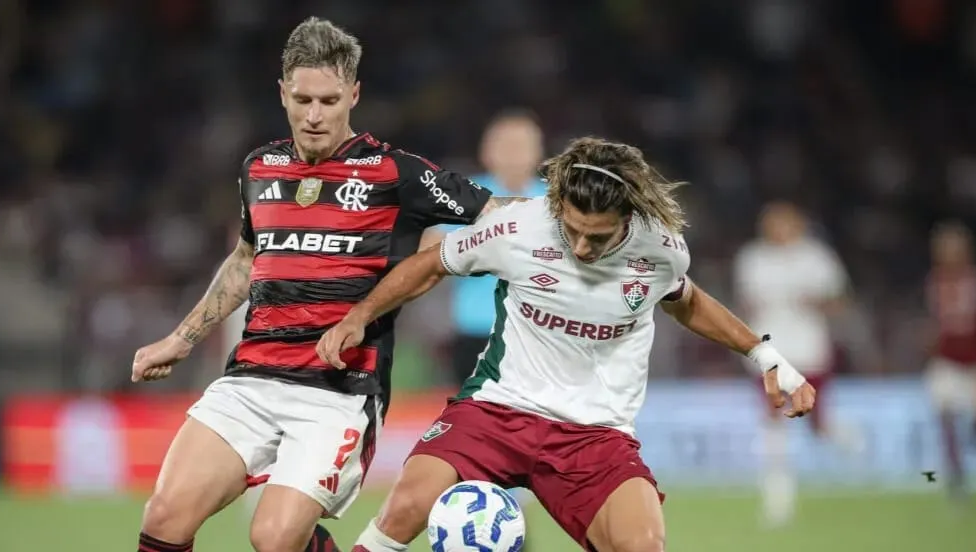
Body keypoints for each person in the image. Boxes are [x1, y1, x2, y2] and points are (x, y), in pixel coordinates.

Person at [127, 17, 520, 552]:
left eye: (329, 101)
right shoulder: (259, 168)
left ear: (353, 95)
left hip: (337, 391)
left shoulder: (396, 173)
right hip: (251, 378)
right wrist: (181, 339)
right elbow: (245, 260)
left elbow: (501, 212)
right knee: (164, 517)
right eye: (303, 100)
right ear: (282, 92)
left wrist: (591, 217)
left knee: (273, 536)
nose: (314, 116)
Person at [317, 137, 817, 552]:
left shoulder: (661, 250)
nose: (580, 247)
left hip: (595, 434)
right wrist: (360, 316)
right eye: (572, 230)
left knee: (643, 544)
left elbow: (686, 301)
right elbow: (431, 263)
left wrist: (763, 354)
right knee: (405, 507)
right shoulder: (517, 228)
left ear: (628, 217)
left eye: (597, 238)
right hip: (497, 410)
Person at [733, 201, 869, 526]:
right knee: (773, 423)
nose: (777, 229)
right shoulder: (753, 259)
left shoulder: (816, 258)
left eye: (784, 222)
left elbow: (840, 301)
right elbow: (744, 302)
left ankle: (856, 446)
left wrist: (817, 302)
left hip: (809, 353)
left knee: (818, 425)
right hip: (769, 354)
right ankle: (778, 503)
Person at [425, 110, 549, 389]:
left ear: (538, 152)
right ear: (487, 152)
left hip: (541, 333)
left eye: (522, 146)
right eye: (506, 145)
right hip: (477, 330)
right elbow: (427, 254)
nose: (514, 154)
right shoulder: (464, 195)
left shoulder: (557, 201)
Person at [924, 220, 976, 501]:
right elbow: (934, 321)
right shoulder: (935, 280)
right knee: (944, 415)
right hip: (947, 359)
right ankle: (956, 478)